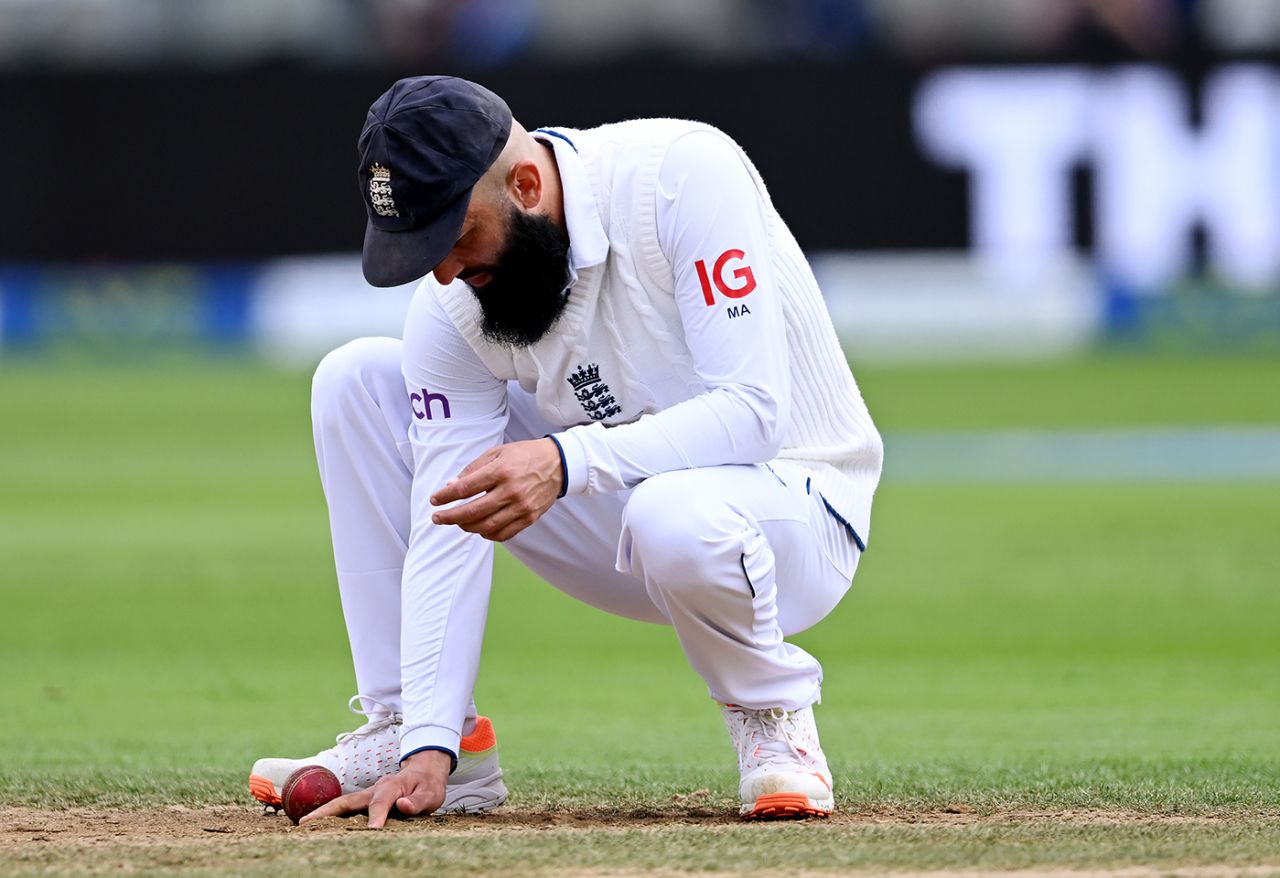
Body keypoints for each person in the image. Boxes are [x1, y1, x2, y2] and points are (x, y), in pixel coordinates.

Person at [248, 75, 883, 826]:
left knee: (673, 512)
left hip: (794, 514)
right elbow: (445, 517)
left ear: (524, 183)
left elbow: (753, 414)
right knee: (353, 380)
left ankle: (771, 719)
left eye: (454, 236)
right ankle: (411, 730)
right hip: (615, 520)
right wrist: (430, 742)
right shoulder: (452, 306)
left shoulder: (682, 173)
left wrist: (567, 460)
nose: (445, 270)